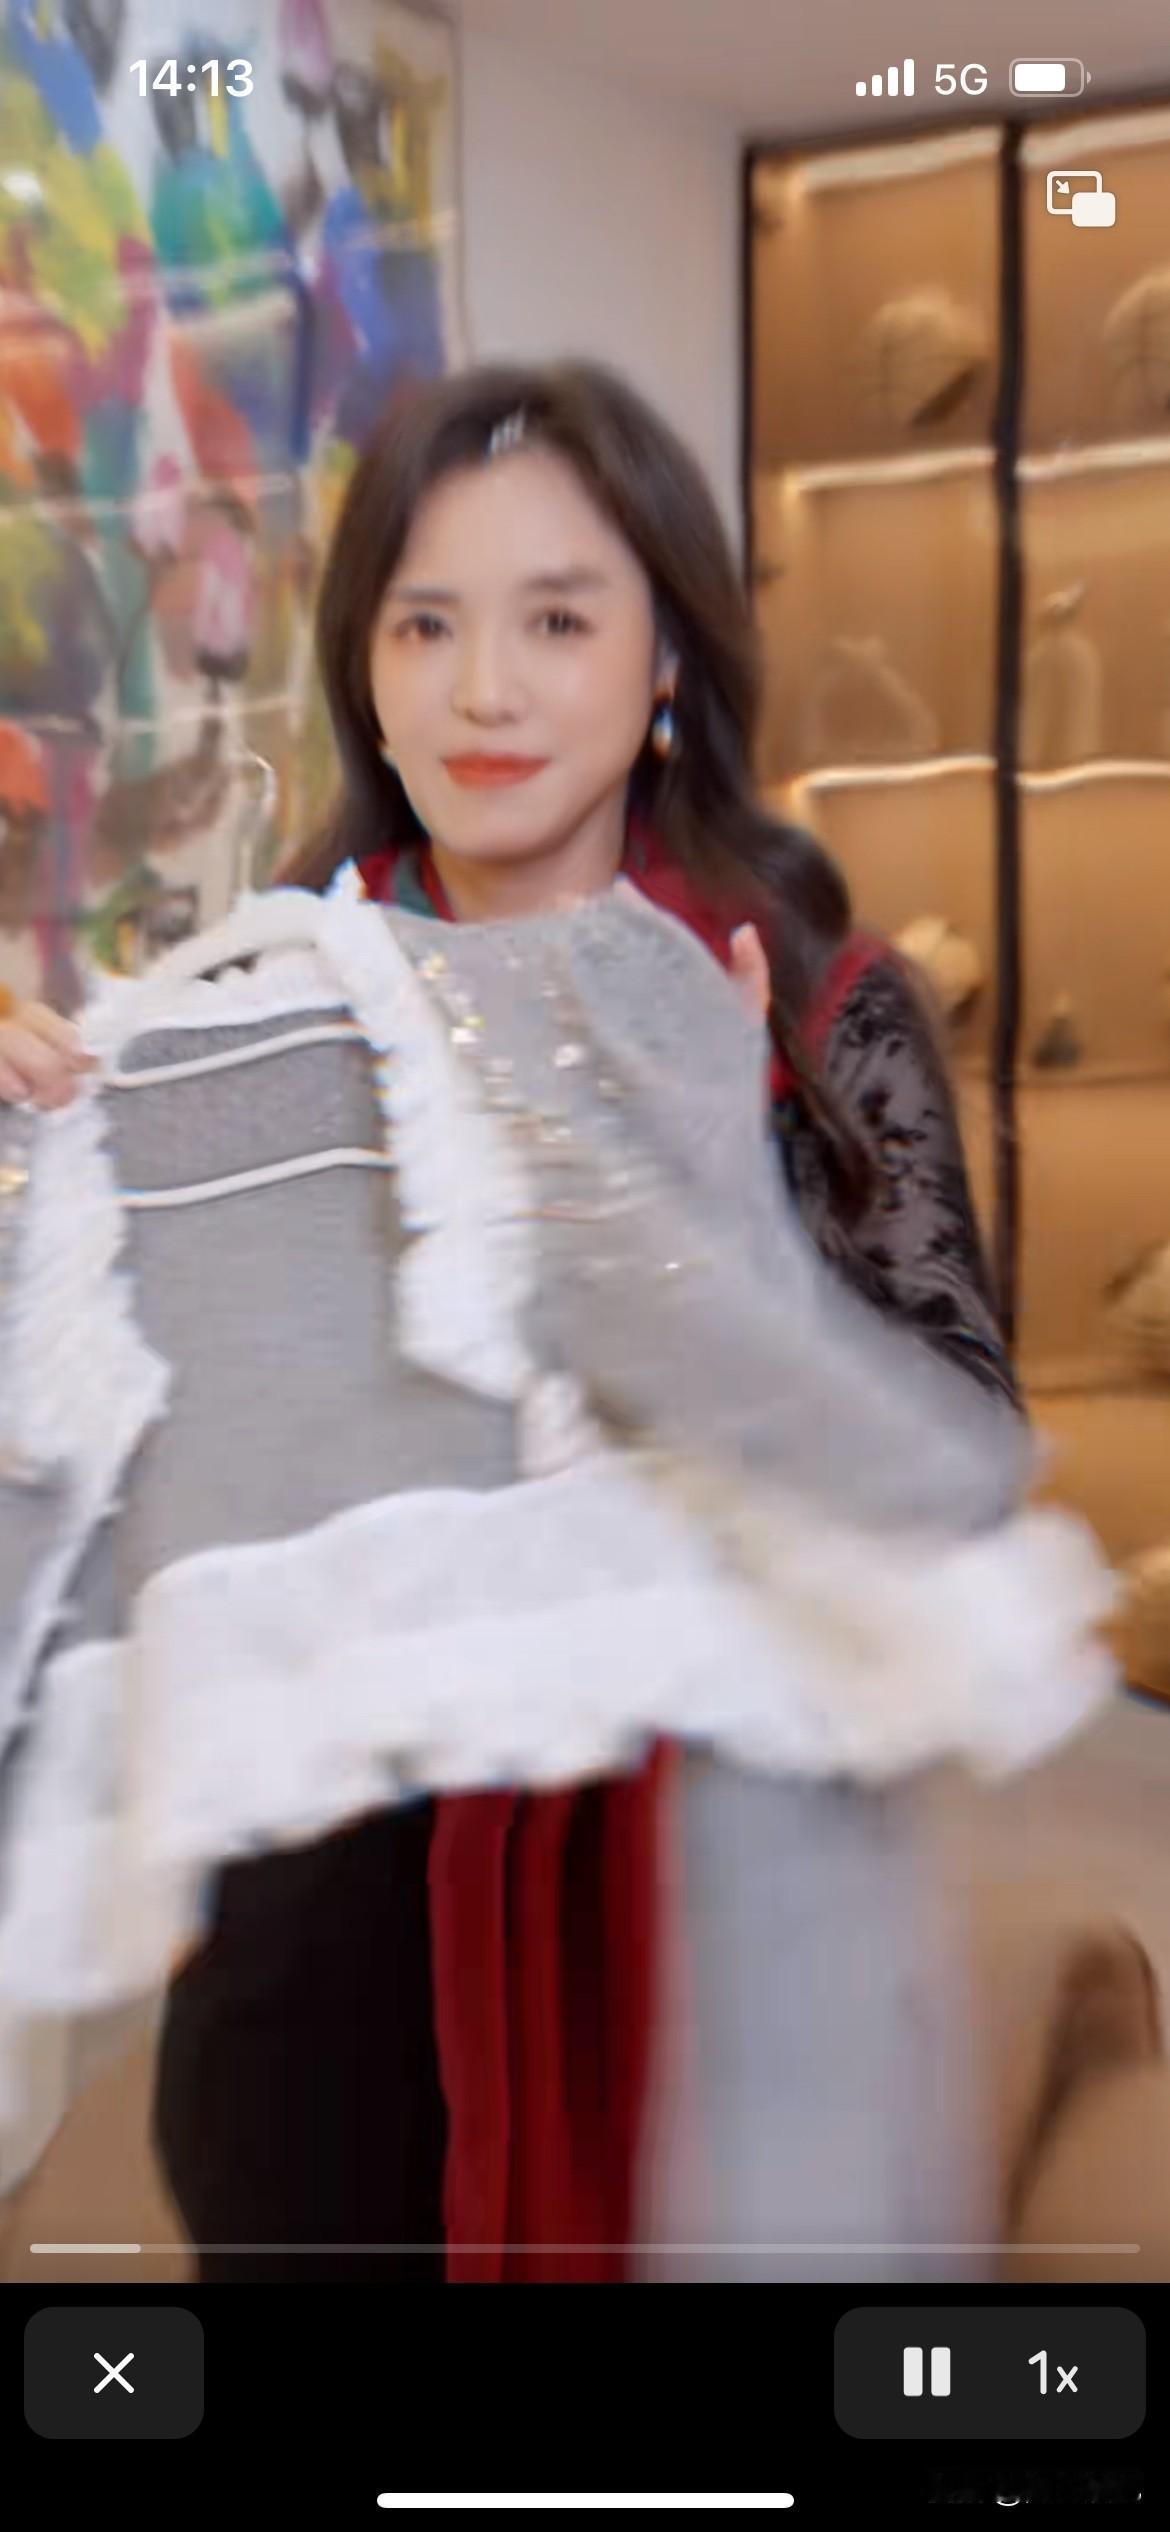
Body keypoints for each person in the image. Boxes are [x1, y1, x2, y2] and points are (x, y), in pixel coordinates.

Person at [0, 363, 1028, 2282]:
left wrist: (694, 1212)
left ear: (663, 657)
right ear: (364, 667)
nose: (485, 690)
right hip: (315, 1977)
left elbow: (952, 1473)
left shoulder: (811, 1000)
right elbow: (112, 1505)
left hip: (711, 1930)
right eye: (426, 624)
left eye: (557, 620)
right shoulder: (260, 1023)